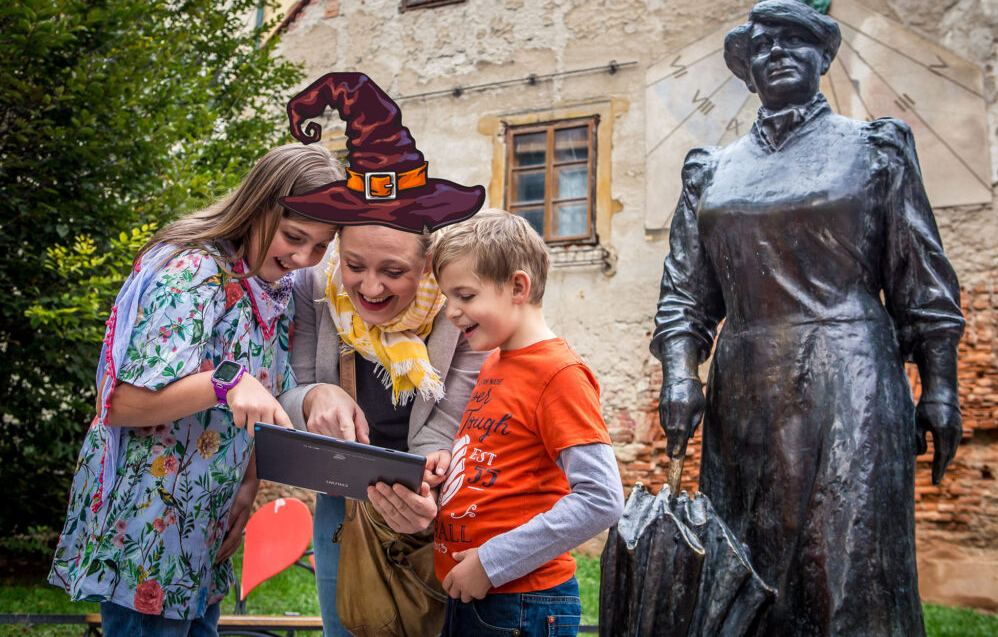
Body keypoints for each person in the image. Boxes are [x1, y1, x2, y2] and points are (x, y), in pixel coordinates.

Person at [651, 0, 964, 635]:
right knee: (744, 569)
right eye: (761, 45)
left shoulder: (873, 149)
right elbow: (684, 292)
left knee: (845, 568)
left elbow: (920, 276)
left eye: (793, 39)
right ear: (746, 69)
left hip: (850, 377)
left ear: (823, 55)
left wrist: (942, 387)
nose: (777, 52)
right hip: (744, 387)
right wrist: (679, 373)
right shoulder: (712, 171)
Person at [48, 143, 343, 636]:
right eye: (294, 236)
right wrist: (224, 382)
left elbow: (264, 396)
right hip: (147, 532)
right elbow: (118, 403)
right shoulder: (194, 272)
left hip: (204, 528)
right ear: (258, 206)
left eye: (320, 247)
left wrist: (248, 483)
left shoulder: (273, 288)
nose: (302, 258)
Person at [275, 72, 488, 637]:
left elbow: (449, 420)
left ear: (428, 264)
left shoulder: (461, 307)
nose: (369, 288)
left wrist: (425, 485)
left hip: (436, 499)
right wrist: (315, 396)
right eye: (354, 266)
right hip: (341, 500)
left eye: (393, 271)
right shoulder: (313, 288)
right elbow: (288, 391)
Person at [370, 209, 625, 637]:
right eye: (447, 297)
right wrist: (447, 462)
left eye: (465, 296)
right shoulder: (493, 362)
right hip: (475, 595)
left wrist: (491, 563)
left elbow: (602, 499)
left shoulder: (559, 374)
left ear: (518, 287)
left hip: (522, 603)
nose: (451, 312)